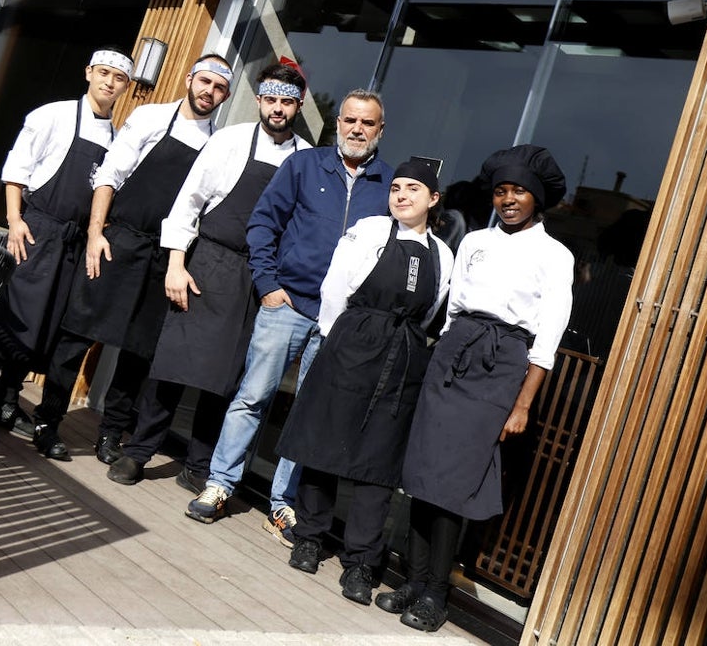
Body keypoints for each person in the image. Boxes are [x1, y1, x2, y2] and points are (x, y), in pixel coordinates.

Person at [377, 144, 573, 632]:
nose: (508, 199)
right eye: (502, 191)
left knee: (453, 484)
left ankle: (436, 594)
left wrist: (522, 403)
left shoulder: (556, 255)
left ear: (537, 199)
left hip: (503, 362)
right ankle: (413, 579)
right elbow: (455, 311)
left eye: (519, 192)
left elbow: (546, 339)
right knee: (422, 475)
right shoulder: (475, 241)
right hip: (454, 353)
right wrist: (441, 358)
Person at [185, 90, 392, 547]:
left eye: (368, 123)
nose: (357, 129)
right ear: (337, 123)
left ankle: (283, 504)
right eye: (350, 120)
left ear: (381, 131)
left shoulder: (388, 185)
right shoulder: (302, 166)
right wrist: (268, 285)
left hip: (339, 322)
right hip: (289, 304)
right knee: (253, 396)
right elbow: (263, 223)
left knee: (307, 415)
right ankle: (220, 483)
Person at [106, 62, 310, 489]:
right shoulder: (228, 140)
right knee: (173, 364)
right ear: (258, 100)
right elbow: (188, 203)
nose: (277, 109)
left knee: (227, 379)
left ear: (299, 105)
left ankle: (198, 465)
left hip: (258, 278)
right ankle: (139, 451)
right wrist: (177, 264)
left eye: (286, 102)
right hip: (209, 262)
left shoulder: (306, 159)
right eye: (270, 99)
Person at [30, 54, 233, 463]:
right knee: (77, 334)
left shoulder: (219, 143)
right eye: (204, 82)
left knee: (138, 352)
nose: (209, 92)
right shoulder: (150, 117)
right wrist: (95, 233)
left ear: (225, 95)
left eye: (219, 88)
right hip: (118, 240)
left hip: (166, 255)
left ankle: (109, 434)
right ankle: (47, 421)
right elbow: (110, 174)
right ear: (189, 79)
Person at [276, 161, 454, 606]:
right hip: (352, 341)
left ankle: (361, 561)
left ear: (433, 199)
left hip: (403, 354)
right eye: (395, 188)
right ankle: (311, 537)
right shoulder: (369, 230)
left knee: (378, 462)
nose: (401, 196)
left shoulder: (443, 254)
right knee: (324, 444)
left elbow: (432, 312)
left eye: (413, 189)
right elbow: (335, 290)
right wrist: (343, 340)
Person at [0, 47, 133, 436]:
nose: (109, 82)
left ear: (126, 87)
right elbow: (16, 168)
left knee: (44, 325)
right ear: (88, 72)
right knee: (12, 315)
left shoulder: (116, 137)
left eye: (118, 78)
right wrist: (15, 219)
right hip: (37, 228)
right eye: (103, 73)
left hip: (72, 241)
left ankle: (5, 402)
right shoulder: (51, 114)